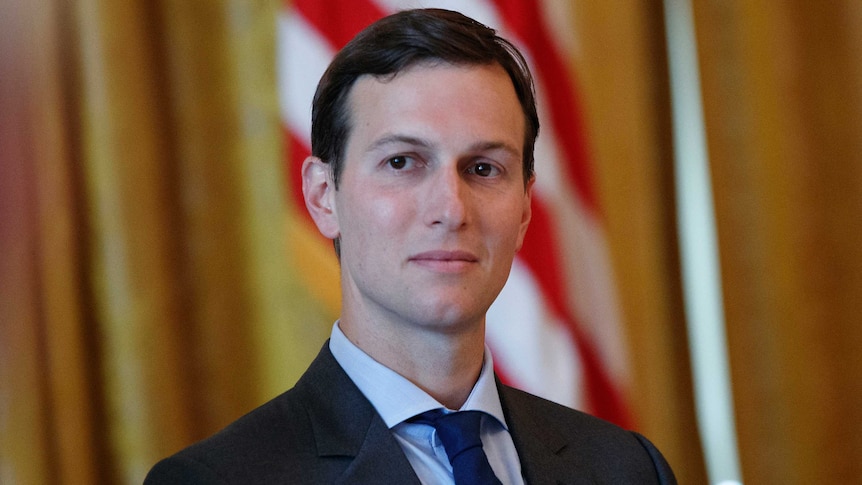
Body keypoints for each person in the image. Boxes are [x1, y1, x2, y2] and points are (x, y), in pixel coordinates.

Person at [145, 8, 677, 484]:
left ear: (525, 210)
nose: (450, 209)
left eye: (483, 168)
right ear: (323, 196)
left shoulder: (625, 468)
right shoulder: (216, 480)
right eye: (402, 162)